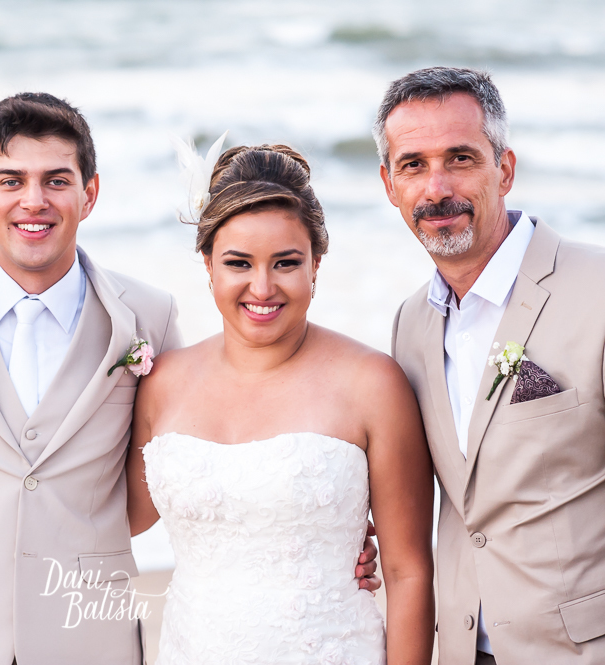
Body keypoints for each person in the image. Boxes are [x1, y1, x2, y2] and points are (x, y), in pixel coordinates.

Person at [0, 92, 382, 664]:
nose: (35, 201)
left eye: (57, 179)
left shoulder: (147, 316)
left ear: (90, 193)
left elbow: (201, 444)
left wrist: (310, 520)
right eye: (11, 181)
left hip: (90, 633)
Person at [126, 143, 435, 664]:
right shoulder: (162, 382)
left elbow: (408, 573)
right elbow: (122, 519)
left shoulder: (373, 384)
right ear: (207, 264)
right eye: (238, 263)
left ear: (317, 263)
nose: (262, 287)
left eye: (286, 263)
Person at [379, 66, 605, 665]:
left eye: (459, 159)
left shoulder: (598, 292)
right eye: (413, 165)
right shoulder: (409, 327)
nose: (435, 189)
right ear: (388, 184)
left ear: (504, 169)